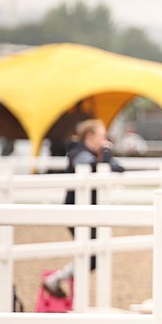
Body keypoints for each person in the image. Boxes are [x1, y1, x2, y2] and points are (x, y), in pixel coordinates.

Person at [41, 119, 126, 298]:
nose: (105, 139)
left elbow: (118, 168)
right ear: (90, 136)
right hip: (77, 212)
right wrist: (105, 154)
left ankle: (60, 280)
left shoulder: (90, 153)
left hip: (90, 212)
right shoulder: (77, 152)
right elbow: (92, 167)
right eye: (102, 135)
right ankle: (57, 279)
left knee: (92, 254)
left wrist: (105, 155)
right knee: (91, 255)